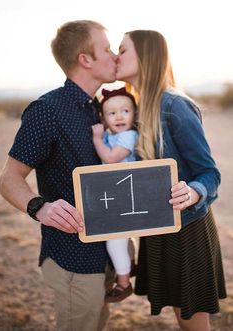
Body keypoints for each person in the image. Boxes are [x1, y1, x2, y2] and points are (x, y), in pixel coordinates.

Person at [0, 20, 117, 331]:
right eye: (106, 48)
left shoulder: (101, 109)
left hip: (106, 252)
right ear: (85, 59)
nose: (114, 55)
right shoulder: (47, 110)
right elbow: (9, 178)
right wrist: (41, 207)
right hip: (71, 257)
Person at [116, 29, 227, 331]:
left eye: (122, 50)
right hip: (158, 226)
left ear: (145, 55)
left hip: (187, 227)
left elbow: (210, 173)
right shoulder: (136, 107)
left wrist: (192, 192)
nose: (116, 56)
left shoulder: (175, 105)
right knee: (180, 315)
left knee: (191, 318)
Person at [92, 87, 138, 303]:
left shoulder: (129, 136)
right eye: (112, 113)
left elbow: (110, 159)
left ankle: (124, 283)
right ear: (103, 117)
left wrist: (97, 138)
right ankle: (129, 265)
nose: (119, 116)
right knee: (120, 240)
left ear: (134, 114)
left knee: (114, 242)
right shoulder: (116, 135)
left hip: (125, 196)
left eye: (125, 111)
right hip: (117, 195)